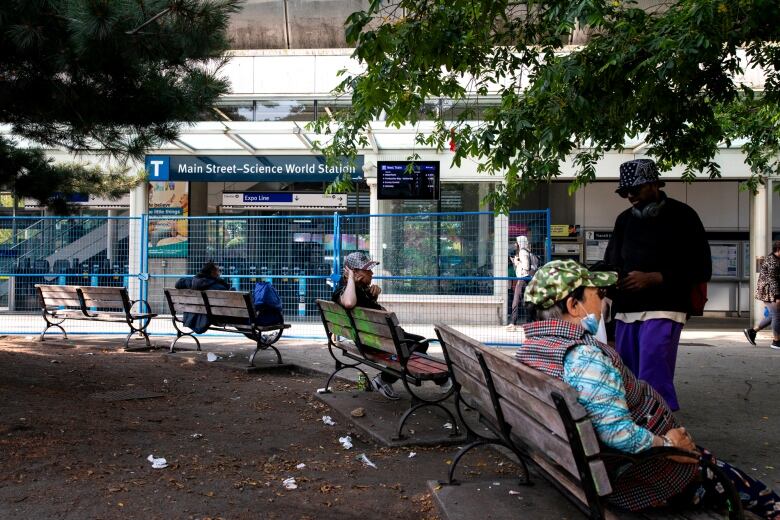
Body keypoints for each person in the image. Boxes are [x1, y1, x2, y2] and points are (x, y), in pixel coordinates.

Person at [519, 260, 779, 518]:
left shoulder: (534, 347)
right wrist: (668, 445)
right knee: (752, 491)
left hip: (586, 463)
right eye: (597, 294)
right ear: (573, 306)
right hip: (638, 476)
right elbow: (617, 433)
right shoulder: (583, 358)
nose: (603, 301)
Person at [604, 159, 711, 411]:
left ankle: (661, 427)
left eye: (635, 190)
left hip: (665, 307)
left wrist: (655, 277)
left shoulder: (683, 216)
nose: (630, 197)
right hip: (627, 309)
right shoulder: (623, 220)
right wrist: (613, 279)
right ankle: (632, 428)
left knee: (654, 371)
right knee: (627, 375)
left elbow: (701, 266)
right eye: (625, 193)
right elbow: (612, 260)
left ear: (653, 184)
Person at [332, 251, 439, 400]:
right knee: (418, 345)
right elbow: (349, 303)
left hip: (376, 338)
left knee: (419, 344)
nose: (372, 273)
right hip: (376, 341)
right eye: (367, 270)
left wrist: (373, 298)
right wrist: (350, 277)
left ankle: (386, 380)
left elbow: (376, 312)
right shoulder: (344, 291)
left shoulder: (360, 291)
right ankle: (385, 380)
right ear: (355, 272)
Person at [174, 261, 231, 333]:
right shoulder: (218, 286)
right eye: (218, 271)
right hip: (214, 317)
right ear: (212, 272)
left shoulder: (191, 282)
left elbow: (177, 284)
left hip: (191, 316)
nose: (219, 273)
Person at [745, 241, 780, 349]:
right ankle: (776, 341)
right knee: (777, 315)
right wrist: (777, 297)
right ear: (778, 249)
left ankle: (752, 331)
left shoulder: (777, 259)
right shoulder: (771, 261)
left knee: (772, 315)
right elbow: (772, 280)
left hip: (773, 290)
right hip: (769, 292)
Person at [507, 235, 533, 331]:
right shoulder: (526, 251)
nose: (515, 244)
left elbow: (526, 267)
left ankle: (513, 322)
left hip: (522, 278)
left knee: (516, 300)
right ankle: (529, 321)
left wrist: (517, 262)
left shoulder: (522, 252)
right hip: (526, 278)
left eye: (516, 242)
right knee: (525, 300)